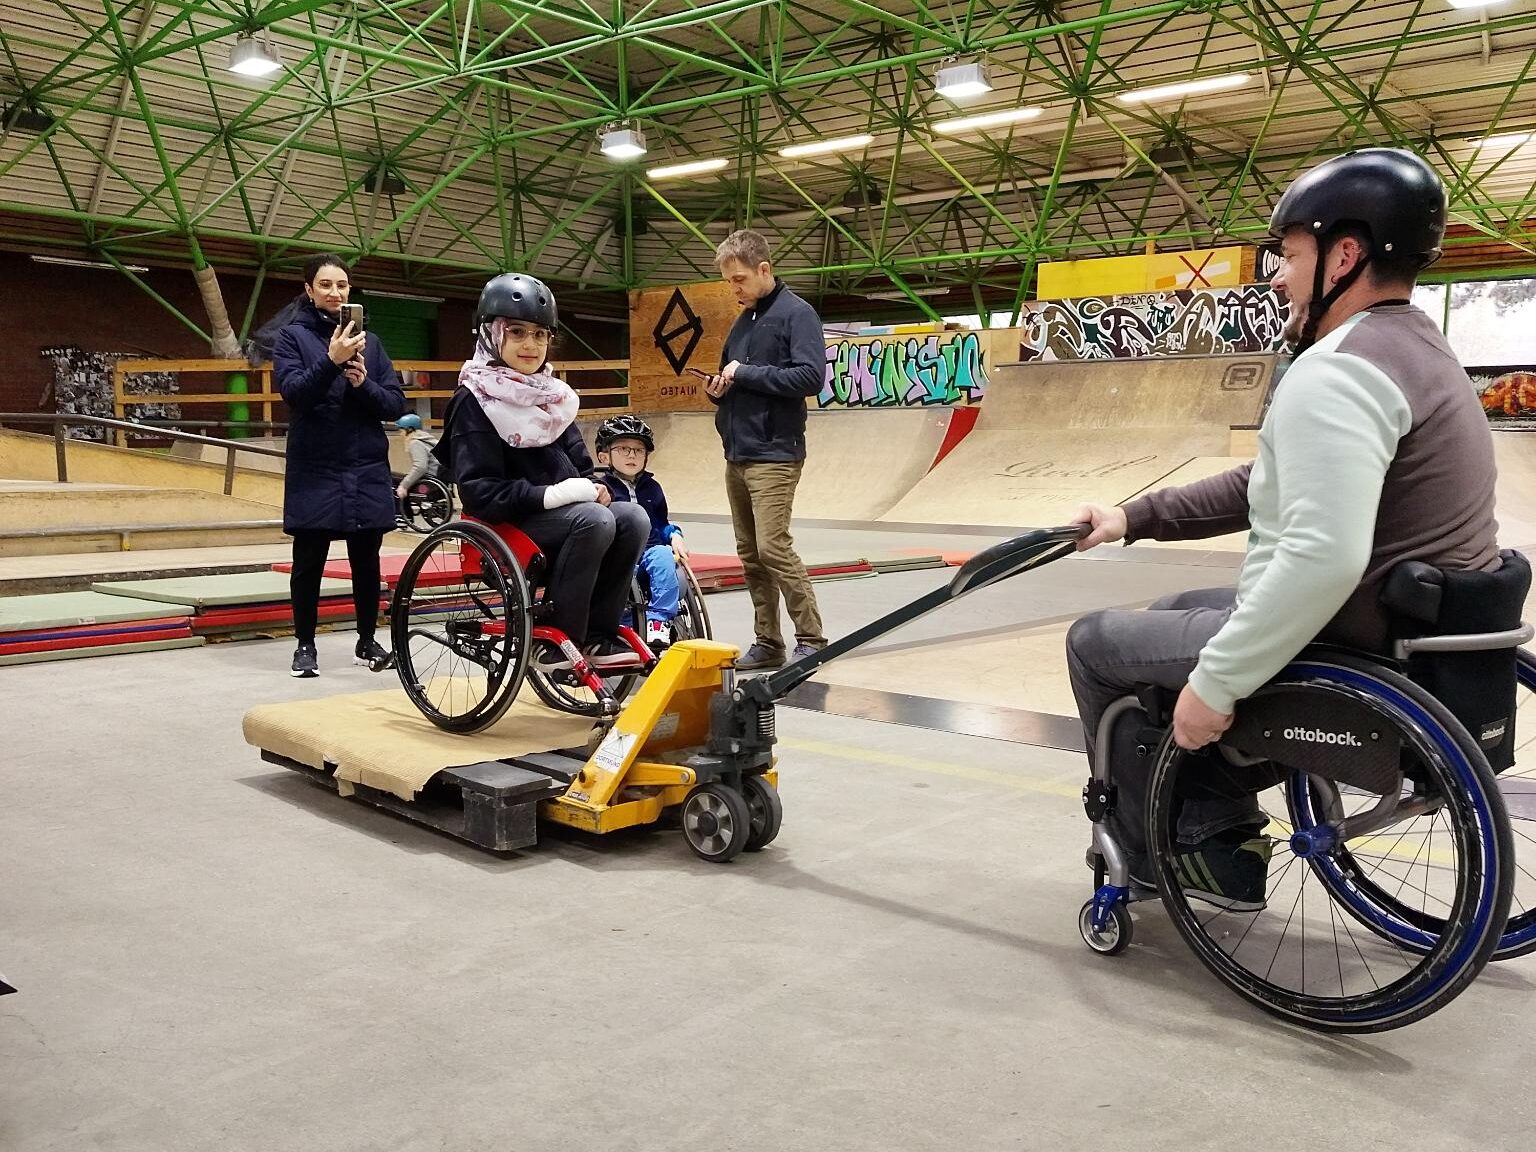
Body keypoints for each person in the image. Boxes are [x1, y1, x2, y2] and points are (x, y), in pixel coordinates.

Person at [1066, 148, 1501, 912]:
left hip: (1344, 639)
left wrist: (1216, 685)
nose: (1275, 277)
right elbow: (1265, 483)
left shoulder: (1337, 370)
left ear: (1345, 254)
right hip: (1419, 633)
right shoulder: (1423, 352)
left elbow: (1324, 558)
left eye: (1289, 256)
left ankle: (1154, 854)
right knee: (1173, 611)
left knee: (1096, 642)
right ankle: (1214, 818)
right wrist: (1134, 517)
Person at [434, 273, 649, 669]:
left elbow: (581, 464)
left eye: (539, 335)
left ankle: (599, 636)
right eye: (517, 332)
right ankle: (554, 638)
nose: (530, 345)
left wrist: (594, 485)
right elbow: (480, 492)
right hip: (508, 525)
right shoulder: (473, 399)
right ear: (491, 335)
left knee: (633, 517)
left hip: (568, 520)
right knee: (594, 519)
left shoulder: (551, 397)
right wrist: (553, 495)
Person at [272, 252, 406, 678]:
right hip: (316, 467)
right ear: (309, 290)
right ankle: (305, 645)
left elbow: (394, 404)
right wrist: (330, 361)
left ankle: (367, 640)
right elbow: (294, 393)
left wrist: (364, 384)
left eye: (342, 285)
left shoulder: (373, 343)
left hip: (364, 466)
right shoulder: (291, 337)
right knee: (308, 561)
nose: (335, 293)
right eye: (325, 285)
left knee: (366, 561)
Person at [706, 228, 828, 670]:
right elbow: (731, 374)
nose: (734, 289)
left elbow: (810, 377)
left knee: (773, 547)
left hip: (774, 453)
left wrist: (746, 374)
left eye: (739, 279)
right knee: (751, 555)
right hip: (737, 452)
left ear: (764, 269)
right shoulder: (743, 321)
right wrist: (719, 390)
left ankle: (812, 639)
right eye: (728, 282)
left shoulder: (798, 314)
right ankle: (768, 642)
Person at [592, 414, 689, 652]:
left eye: (638, 450)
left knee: (664, 556)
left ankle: (658, 620)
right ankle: (625, 627)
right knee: (621, 576)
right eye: (623, 448)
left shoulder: (653, 488)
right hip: (620, 555)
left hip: (650, 552)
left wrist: (675, 534)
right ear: (604, 456)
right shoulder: (601, 489)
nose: (632, 455)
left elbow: (661, 523)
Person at [393, 413, 441, 527]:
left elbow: (420, 467)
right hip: (436, 479)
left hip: (426, 484)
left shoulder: (415, 442)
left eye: (401, 430)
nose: (400, 434)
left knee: (392, 479)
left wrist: (404, 485)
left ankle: (401, 516)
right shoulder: (427, 439)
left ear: (409, 430)